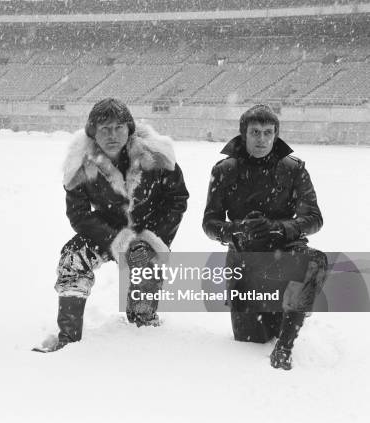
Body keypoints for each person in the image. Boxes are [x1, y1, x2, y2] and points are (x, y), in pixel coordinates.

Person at [37, 98, 189, 352]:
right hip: (105, 231)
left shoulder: (155, 156)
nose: (112, 135)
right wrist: (116, 240)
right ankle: (69, 335)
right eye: (104, 129)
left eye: (118, 127)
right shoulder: (81, 164)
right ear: (92, 132)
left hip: (147, 230)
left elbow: (176, 200)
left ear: (129, 128)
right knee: (72, 259)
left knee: (146, 260)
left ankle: (143, 328)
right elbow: (79, 215)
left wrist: (153, 237)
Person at [203, 104, 327, 370]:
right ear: (243, 134)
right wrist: (236, 229)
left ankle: (285, 344)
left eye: (268, 133)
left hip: (285, 252)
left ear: (276, 135)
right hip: (244, 261)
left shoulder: (293, 169)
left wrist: (279, 228)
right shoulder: (224, 170)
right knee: (253, 340)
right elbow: (209, 223)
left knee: (314, 262)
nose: (262, 139)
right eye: (255, 132)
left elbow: (314, 219)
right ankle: (284, 313)